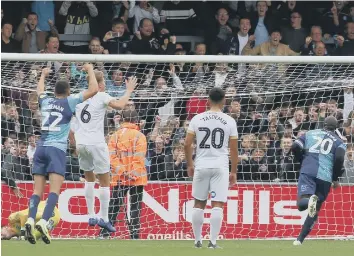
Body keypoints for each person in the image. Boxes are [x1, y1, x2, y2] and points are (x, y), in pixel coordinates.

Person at [24, 64, 98, 245]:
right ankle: (43, 221)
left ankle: (30, 219)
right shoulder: (70, 101)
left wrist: (42, 74)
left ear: (54, 91)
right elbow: (94, 89)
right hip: (56, 149)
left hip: (40, 148)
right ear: (68, 91)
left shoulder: (46, 101)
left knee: (37, 191)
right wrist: (89, 70)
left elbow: (40, 90)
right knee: (54, 190)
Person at [72, 70, 137, 233]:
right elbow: (120, 105)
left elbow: (71, 124)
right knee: (104, 181)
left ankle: (91, 215)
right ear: (100, 84)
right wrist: (128, 90)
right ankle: (105, 218)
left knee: (88, 179)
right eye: (104, 84)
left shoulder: (78, 97)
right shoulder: (101, 95)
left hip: (81, 144)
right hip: (96, 143)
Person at [184, 87, 238, 249]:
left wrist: (190, 164)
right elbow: (234, 150)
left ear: (207, 100)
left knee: (198, 203)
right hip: (220, 166)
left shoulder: (197, 119)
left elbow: (187, 144)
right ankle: (213, 242)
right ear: (224, 101)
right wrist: (233, 171)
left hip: (201, 165)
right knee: (217, 203)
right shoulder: (229, 121)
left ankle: (197, 241)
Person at [291, 116, 346, 245]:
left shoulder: (309, 134)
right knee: (315, 209)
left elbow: (294, 146)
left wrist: (300, 160)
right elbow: (339, 159)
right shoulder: (340, 142)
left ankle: (309, 200)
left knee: (301, 205)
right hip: (325, 177)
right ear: (336, 127)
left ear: (323, 124)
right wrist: (335, 178)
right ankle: (299, 240)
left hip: (308, 171)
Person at [103, 109, 147, 239]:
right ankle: (134, 235)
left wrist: (123, 172)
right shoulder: (140, 136)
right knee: (135, 208)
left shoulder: (115, 136)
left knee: (113, 207)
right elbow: (139, 158)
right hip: (137, 178)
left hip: (119, 177)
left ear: (122, 120)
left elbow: (111, 157)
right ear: (136, 120)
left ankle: (105, 233)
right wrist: (132, 174)